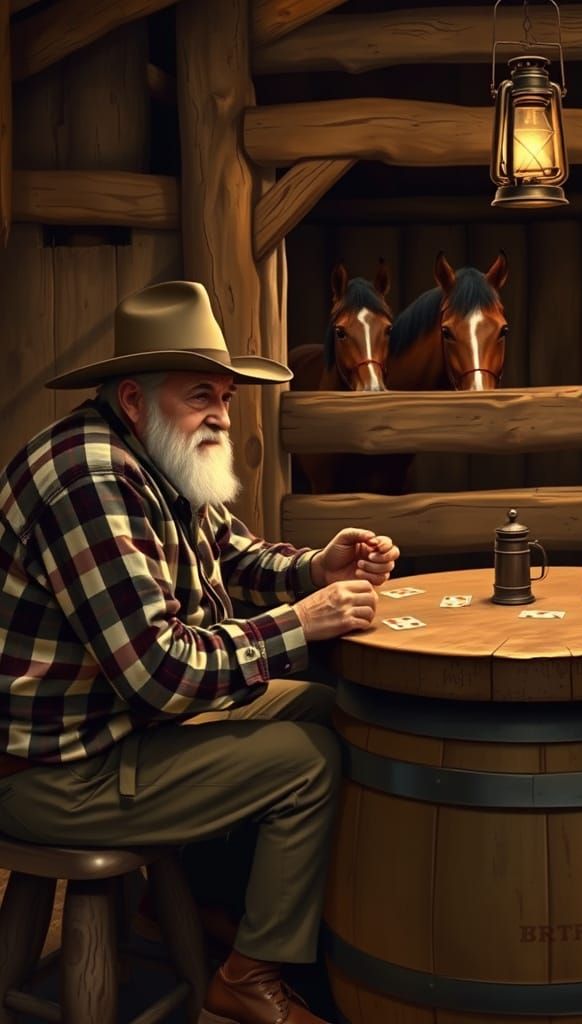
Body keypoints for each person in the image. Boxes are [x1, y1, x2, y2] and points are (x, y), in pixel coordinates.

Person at [0, 281, 400, 1024]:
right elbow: (158, 674)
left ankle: (214, 906)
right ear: (132, 399)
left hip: (119, 731)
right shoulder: (89, 478)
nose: (220, 413)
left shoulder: (158, 454)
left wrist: (318, 567)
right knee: (307, 763)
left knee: (336, 709)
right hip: (60, 769)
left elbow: (235, 555)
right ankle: (251, 972)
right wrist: (300, 624)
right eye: (200, 396)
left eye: (224, 394)